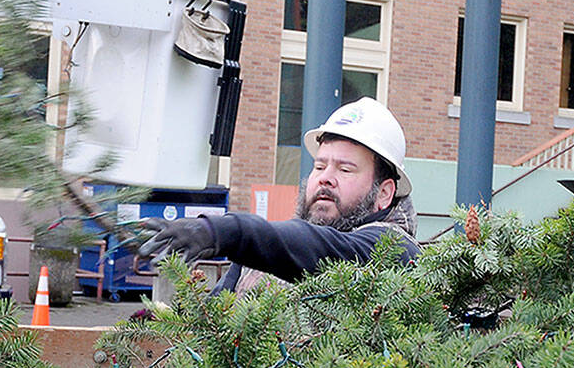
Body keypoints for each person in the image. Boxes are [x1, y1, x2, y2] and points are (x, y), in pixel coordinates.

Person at [138, 97, 419, 295]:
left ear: (384, 193)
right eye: (319, 166)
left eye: (345, 169)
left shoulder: (392, 249)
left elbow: (325, 250)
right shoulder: (268, 252)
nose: (325, 177)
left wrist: (225, 231)